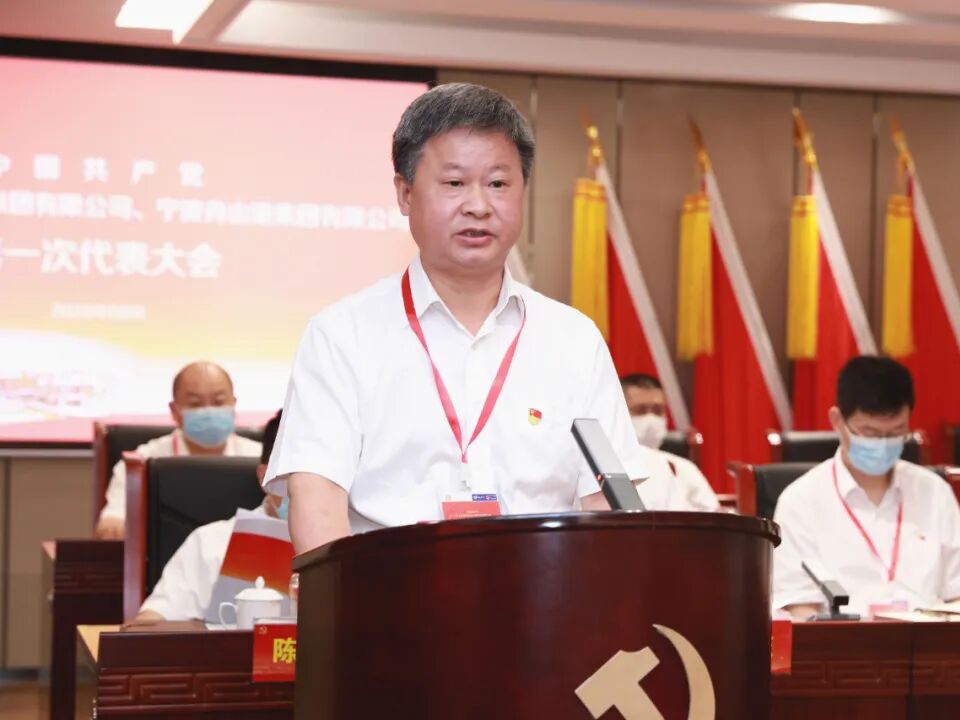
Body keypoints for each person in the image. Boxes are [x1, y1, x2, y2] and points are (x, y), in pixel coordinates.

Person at [265, 83, 644, 554]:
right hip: (391, 591)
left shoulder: (574, 339)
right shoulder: (342, 335)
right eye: (454, 183)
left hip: (545, 592)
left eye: (498, 184)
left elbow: (608, 506)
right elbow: (317, 503)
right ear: (405, 193)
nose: (478, 206)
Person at [771, 356, 960, 618]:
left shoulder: (935, 492)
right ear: (837, 421)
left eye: (895, 433)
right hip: (843, 640)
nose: (883, 444)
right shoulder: (801, 501)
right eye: (869, 432)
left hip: (929, 637)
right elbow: (799, 608)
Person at [135, 411, 286, 622]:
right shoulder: (212, 542)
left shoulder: (337, 543)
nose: (309, 488)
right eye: (296, 473)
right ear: (264, 476)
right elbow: (152, 622)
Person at [94, 362, 262, 539]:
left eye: (219, 402)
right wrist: (113, 526)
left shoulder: (262, 460)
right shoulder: (142, 464)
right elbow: (112, 521)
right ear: (174, 411)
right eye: (196, 404)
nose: (208, 411)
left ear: (234, 404)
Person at [621, 373, 718, 512]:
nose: (651, 418)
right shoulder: (605, 467)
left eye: (658, 411)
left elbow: (713, 515)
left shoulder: (683, 468)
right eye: (640, 410)